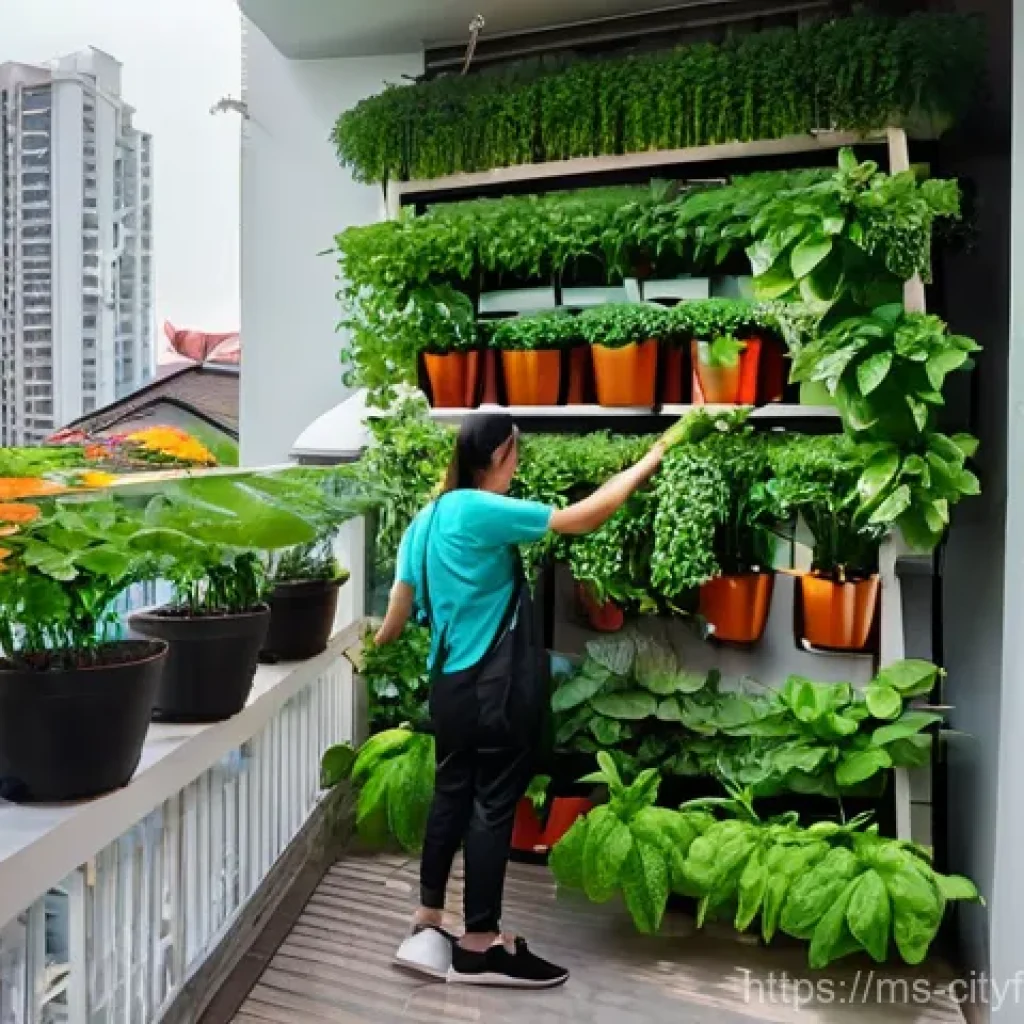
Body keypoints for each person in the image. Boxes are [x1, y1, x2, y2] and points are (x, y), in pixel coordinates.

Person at [375, 413, 665, 988]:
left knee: (451, 795)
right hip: (494, 687)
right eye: (518, 453)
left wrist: (369, 648)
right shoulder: (477, 508)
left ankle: (428, 921)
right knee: (491, 806)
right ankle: (481, 942)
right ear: (504, 451)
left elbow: (397, 610)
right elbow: (581, 518)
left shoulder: (427, 518)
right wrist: (647, 463)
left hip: (450, 687)